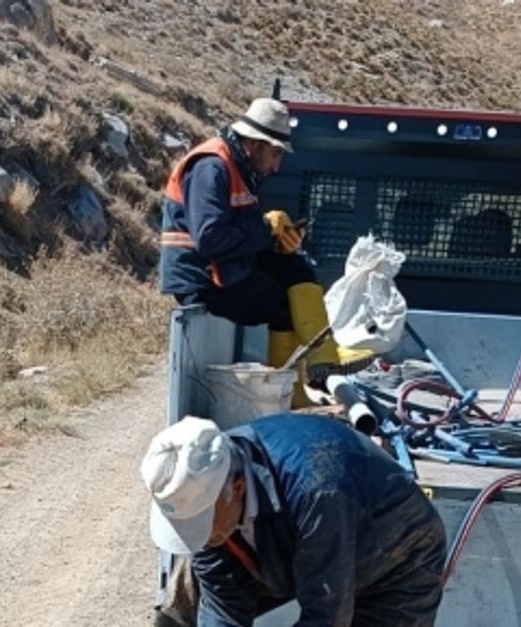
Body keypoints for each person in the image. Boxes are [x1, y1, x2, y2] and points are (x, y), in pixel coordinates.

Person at [133, 414, 446, 627]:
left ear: (237, 487)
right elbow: (223, 602)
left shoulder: (316, 490)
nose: (198, 536)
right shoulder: (213, 490)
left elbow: (325, 621)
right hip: (297, 541)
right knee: (190, 586)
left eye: (202, 523)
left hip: (397, 556)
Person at [158, 98, 369, 404]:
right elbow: (209, 238)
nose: (277, 165)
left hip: (224, 267)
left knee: (295, 268)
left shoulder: (239, 167)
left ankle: (324, 357)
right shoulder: (211, 167)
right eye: (274, 154)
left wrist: (278, 240)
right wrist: (266, 229)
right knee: (280, 303)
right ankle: (290, 393)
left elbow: (238, 233)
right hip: (201, 279)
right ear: (253, 144)